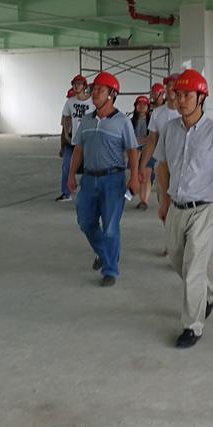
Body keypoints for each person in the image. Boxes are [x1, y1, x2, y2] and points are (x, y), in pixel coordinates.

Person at [155, 70, 213, 348]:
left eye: (187, 95)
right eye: (177, 95)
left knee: (193, 269)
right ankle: (212, 293)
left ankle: (192, 326)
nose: (180, 100)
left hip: (204, 209)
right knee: (178, 262)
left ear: (201, 98)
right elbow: (162, 166)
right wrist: (164, 202)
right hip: (175, 207)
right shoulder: (169, 130)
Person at [68, 72, 140, 287]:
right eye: (94, 89)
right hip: (89, 180)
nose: (94, 93)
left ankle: (110, 269)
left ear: (112, 94)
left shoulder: (122, 122)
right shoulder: (86, 121)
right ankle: (104, 252)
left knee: (110, 227)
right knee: (85, 222)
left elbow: (132, 150)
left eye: (100, 89)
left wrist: (134, 177)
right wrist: (71, 175)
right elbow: (78, 149)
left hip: (113, 180)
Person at [139, 73, 178, 193]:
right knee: (163, 199)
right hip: (162, 165)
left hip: (183, 166)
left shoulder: (187, 113)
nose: (171, 88)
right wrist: (142, 165)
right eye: (168, 85)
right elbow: (151, 141)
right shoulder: (157, 113)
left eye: (174, 85)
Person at [57, 75, 93, 202]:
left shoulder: (92, 102)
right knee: (67, 166)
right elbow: (66, 118)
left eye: (79, 84)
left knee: (89, 168)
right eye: (74, 84)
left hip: (88, 141)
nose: (76, 86)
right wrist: (66, 134)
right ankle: (66, 193)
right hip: (73, 141)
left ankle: (88, 193)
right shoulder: (70, 102)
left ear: (84, 86)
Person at [130, 95, 153, 209]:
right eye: (139, 104)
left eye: (144, 104)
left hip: (148, 151)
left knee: (146, 175)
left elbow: (153, 137)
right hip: (135, 152)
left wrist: (143, 140)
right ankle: (139, 198)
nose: (142, 106)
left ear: (148, 107)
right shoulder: (130, 121)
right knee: (137, 175)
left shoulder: (152, 121)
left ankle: (145, 200)